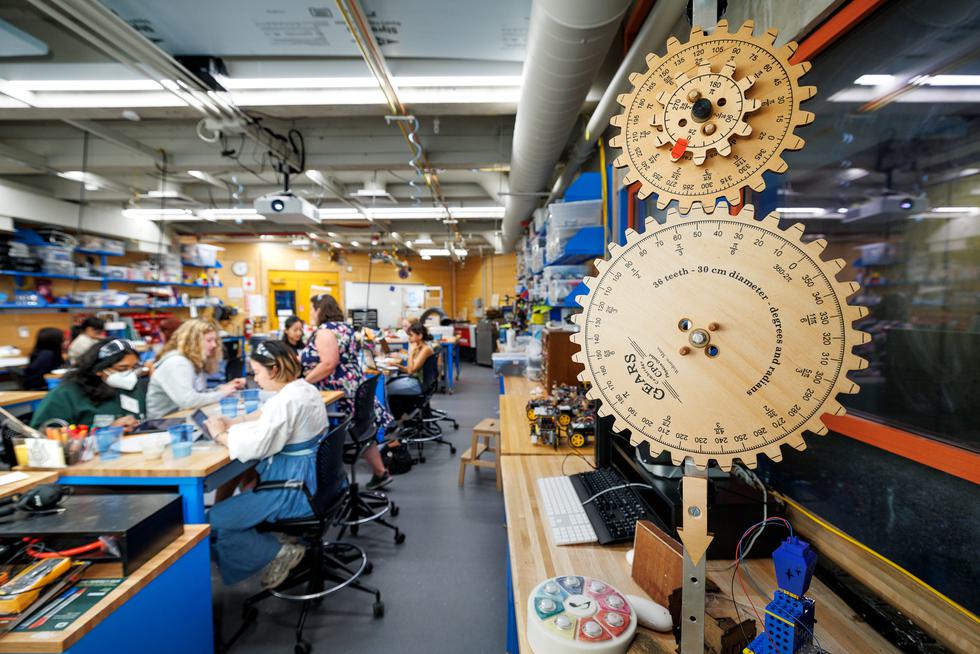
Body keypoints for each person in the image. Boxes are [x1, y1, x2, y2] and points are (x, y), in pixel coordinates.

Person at [205, 340, 328, 588]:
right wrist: (235, 422)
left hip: (292, 489)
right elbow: (266, 415)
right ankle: (278, 545)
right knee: (242, 494)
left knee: (213, 520)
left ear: (273, 370)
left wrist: (219, 435)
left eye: (257, 372)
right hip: (312, 481)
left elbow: (257, 446)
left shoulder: (287, 401)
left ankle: (280, 553)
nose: (255, 379)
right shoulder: (302, 389)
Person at [302, 294, 393, 490]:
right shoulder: (345, 327)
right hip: (354, 386)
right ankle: (380, 472)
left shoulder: (325, 331)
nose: (310, 313)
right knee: (363, 429)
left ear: (320, 310)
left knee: (329, 433)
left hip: (338, 392)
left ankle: (332, 486)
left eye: (312, 309)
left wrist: (303, 382)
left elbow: (328, 363)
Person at [31, 338, 144, 430]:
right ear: (99, 369)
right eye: (122, 368)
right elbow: (44, 434)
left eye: (134, 367)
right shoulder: (66, 394)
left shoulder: (130, 388)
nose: (130, 374)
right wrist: (105, 431)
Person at [145, 319, 245, 418]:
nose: (214, 345)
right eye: (209, 340)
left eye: (215, 340)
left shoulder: (192, 361)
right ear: (193, 341)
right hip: (163, 423)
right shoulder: (177, 363)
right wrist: (221, 394)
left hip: (181, 417)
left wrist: (220, 389)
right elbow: (188, 401)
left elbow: (197, 393)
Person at [387, 322, 436, 396]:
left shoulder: (426, 349)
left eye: (411, 335)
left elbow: (411, 371)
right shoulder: (419, 347)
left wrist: (411, 353)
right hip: (415, 379)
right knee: (387, 385)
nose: (409, 337)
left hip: (421, 385)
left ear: (420, 336)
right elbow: (409, 369)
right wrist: (397, 365)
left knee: (386, 389)